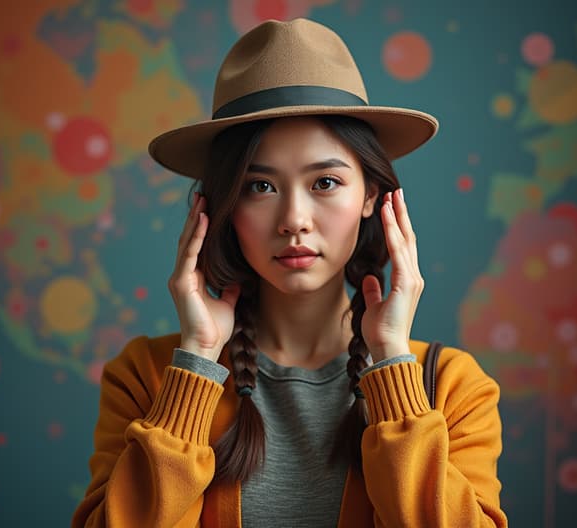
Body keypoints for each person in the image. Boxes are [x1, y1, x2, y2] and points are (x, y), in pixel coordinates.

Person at [72, 18, 507, 528]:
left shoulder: (451, 386)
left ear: (370, 195)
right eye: (260, 187)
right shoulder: (146, 377)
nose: (294, 220)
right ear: (223, 206)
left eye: (325, 181)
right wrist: (195, 364)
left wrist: (391, 363)